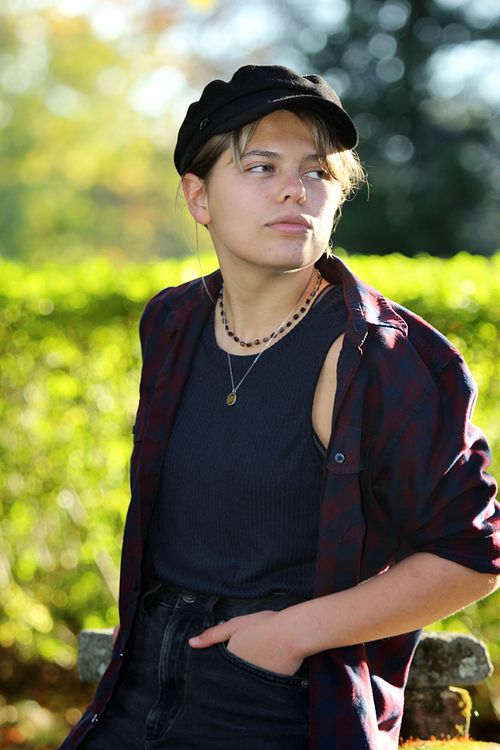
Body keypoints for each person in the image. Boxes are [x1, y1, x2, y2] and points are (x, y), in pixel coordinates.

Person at [60, 65, 500, 750]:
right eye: (261, 167)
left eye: (317, 172)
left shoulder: (380, 356)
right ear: (199, 197)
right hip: (134, 696)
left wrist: (289, 636)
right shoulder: (172, 324)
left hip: (278, 708)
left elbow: (472, 553)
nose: (295, 189)